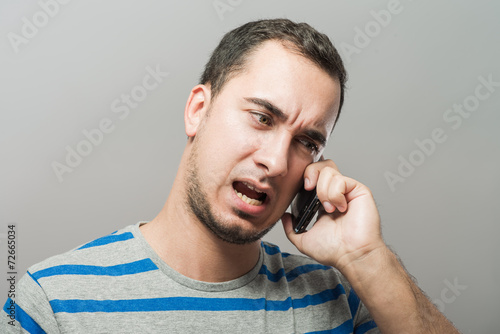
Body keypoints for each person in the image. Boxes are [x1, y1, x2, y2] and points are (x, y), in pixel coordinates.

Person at [2, 19, 459, 333]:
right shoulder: (53, 301)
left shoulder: (341, 298)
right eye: (262, 117)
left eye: (307, 142)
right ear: (198, 110)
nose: (277, 162)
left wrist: (365, 257)